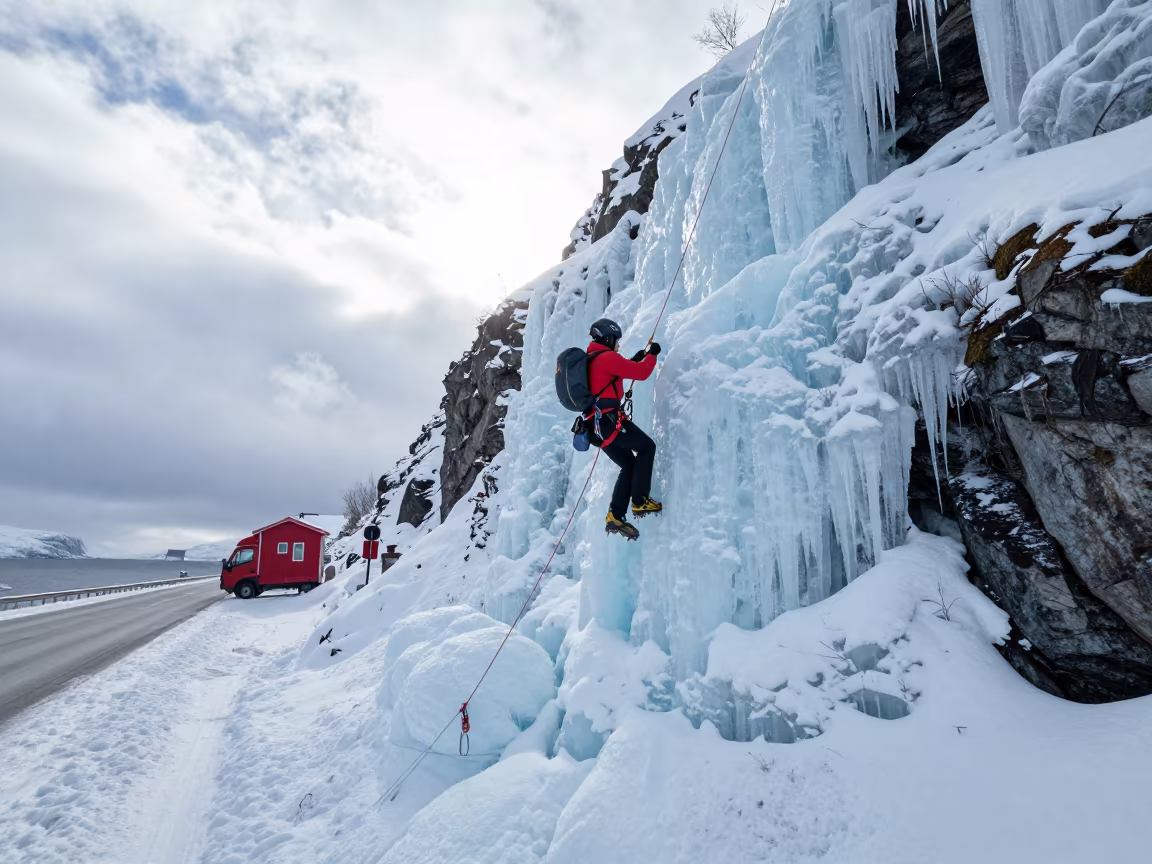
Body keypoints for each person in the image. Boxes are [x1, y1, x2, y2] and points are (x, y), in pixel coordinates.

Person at [585, 318, 663, 540]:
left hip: (595, 428)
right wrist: (653, 354)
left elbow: (616, 373)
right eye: (616, 340)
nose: (618, 345)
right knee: (647, 447)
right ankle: (639, 501)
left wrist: (635, 359)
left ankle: (616, 516)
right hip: (610, 423)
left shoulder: (592, 359)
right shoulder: (607, 357)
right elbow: (640, 373)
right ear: (608, 339)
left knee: (629, 464)